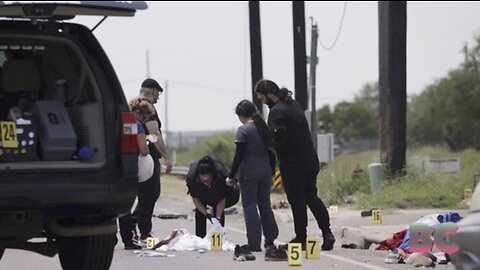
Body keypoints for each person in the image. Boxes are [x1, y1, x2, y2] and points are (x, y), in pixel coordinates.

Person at [254, 79, 336, 251]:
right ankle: (327, 233)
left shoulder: (276, 113)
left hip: (293, 165)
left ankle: (301, 238)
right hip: (310, 159)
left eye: (262, 98)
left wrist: (266, 136)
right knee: (312, 197)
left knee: (297, 201)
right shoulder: (292, 104)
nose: (262, 101)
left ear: (269, 94)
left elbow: (280, 141)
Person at [226, 99, 287, 261]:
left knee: (250, 206)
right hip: (266, 172)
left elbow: (239, 156)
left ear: (241, 115)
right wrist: (272, 170)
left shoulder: (243, 130)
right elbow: (271, 152)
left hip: (250, 174)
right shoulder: (263, 128)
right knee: (265, 205)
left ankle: (254, 243)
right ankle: (271, 239)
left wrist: (231, 176)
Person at [133, 78, 173, 246]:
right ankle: (144, 233)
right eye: (157, 94)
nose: (157, 98)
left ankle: (133, 224)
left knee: (143, 195)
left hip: (132, 156)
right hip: (147, 157)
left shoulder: (132, 105)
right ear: (152, 91)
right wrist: (166, 156)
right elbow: (154, 132)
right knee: (150, 194)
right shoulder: (147, 107)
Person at [117, 98, 155, 250]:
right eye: (145, 117)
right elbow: (144, 151)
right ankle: (128, 239)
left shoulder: (117, 121)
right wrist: (147, 143)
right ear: (139, 113)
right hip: (129, 166)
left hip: (114, 165)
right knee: (125, 204)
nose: (144, 120)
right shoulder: (136, 125)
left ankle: (111, 236)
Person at [186, 156, 239, 238]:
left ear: (212, 175)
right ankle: (200, 237)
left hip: (228, 194)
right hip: (203, 194)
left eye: (207, 180)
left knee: (217, 214)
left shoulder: (221, 175)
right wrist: (207, 215)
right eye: (202, 180)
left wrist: (217, 218)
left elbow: (221, 199)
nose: (204, 183)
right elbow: (196, 199)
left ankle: (219, 235)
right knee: (200, 210)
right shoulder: (192, 177)